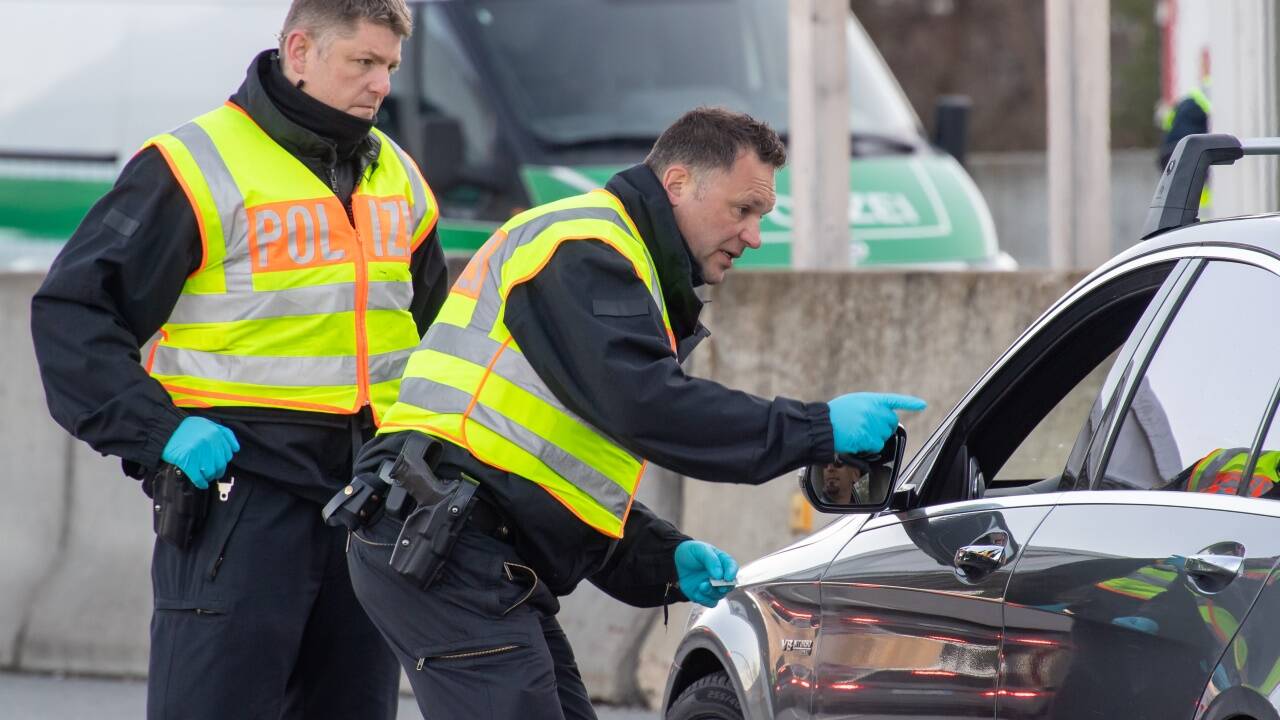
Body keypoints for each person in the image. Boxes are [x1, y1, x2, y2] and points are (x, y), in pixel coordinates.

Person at [337, 106, 926, 719]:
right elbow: (651, 408)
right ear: (676, 184)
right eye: (741, 210)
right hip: (445, 539)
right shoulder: (586, 247)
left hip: (466, 540)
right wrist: (819, 428)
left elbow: (551, 467)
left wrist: (661, 557)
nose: (754, 236)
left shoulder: (625, 268)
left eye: (762, 217)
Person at [30, 1, 446, 718]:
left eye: (390, 68)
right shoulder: (192, 167)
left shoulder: (399, 177)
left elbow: (442, 339)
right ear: (300, 50)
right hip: (240, 497)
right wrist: (160, 433)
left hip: (369, 500)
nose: (381, 85)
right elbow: (73, 314)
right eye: (363, 63)